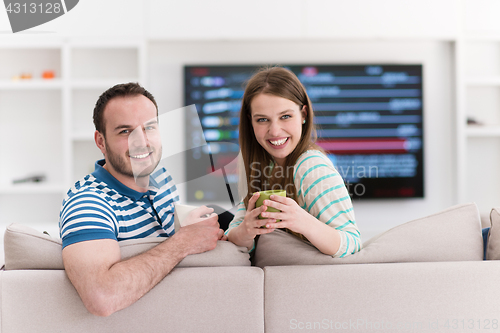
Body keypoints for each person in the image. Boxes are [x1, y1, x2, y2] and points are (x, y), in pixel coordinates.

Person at [59, 83, 227, 317]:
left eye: (149, 127)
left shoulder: (160, 176)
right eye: (125, 131)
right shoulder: (88, 202)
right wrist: (184, 242)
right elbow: (101, 297)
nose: (141, 141)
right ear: (101, 142)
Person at [226, 67, 362, 257]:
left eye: (285, 116)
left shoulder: (311, 166)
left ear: (303, 115)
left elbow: (352, 243)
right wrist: (246, 230)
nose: (274, 131)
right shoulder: (265, 169)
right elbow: (231, 236)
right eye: (263, 120)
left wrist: (302, 221)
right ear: (251, 123)